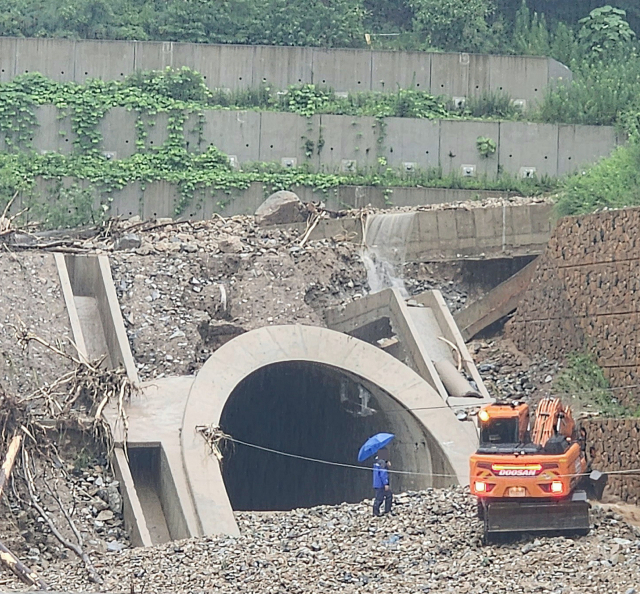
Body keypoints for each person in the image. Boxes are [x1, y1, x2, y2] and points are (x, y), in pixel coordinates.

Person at [372, 447, 392, 517]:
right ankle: (380, 511)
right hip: (381, 484)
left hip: (377, 483)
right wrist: (386, 483)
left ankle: (376, 512)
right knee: (383, 498)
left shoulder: (377, 461)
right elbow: (383, 473)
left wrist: (386, 463)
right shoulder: (382, 462)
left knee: (380, 497)